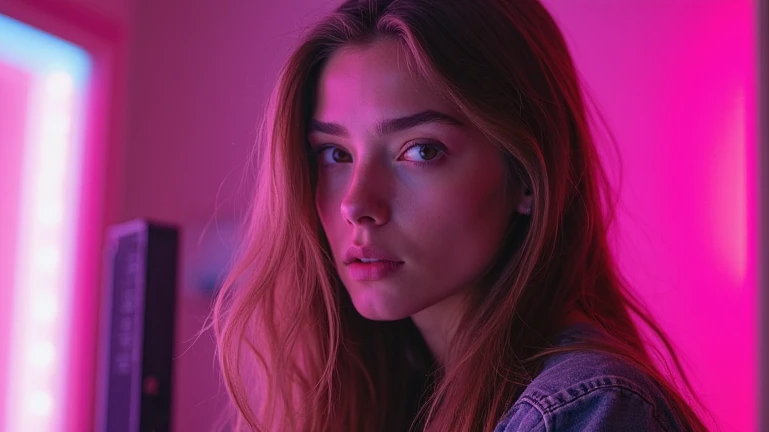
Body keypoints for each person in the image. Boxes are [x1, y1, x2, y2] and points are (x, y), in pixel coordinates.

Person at [211, 0, 710, 430]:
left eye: (421, 150)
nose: (357, 204)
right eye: (335, 154)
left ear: (526, 176)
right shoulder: (399, 390)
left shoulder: (587, 410)